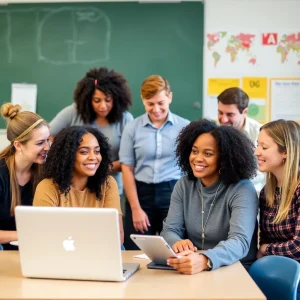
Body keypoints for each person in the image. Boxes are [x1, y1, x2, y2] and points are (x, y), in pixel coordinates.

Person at [161, 119, 258, 274]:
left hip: (235, 269)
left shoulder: (242, 189)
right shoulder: (184, 185)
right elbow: (169, 230)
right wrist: (177, 242)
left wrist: (205, 259)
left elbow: (240, 242)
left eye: (208, 154)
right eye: (194, 151)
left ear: (224, 159)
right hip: (194, 267)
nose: (198, 158)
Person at [119, 75, 189, 250]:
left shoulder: (185, 127)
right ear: (143, 100)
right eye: (150, 104)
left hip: (173, 193)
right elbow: (127, 168)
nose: (156, 109)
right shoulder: (132, 128)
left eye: (161, 103)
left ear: (169, 97)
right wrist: (136, 209)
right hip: (141, 195)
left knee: (175, 248)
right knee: (136, 249)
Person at [49, 67, 133, 195]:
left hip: (109, 186)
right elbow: (48, 136)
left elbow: (128, 159)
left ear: (116, 98)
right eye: (97, 100)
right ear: (87, 99)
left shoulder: (125, 119)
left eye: (108, 100)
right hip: (73, 186)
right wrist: (65, 158)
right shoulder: (73, 112)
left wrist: (97, 167)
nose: (103, 106)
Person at [33, 126, 124, 244]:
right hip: (61, 254)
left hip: (99, 253)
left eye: (97, 151)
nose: (93, 157)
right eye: (84, 152)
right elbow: (44, 236)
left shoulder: (108, 184)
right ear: (67, 156)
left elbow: (117, 236)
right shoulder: (47, 187)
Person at [254, 120, 300, 299]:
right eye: (258, 145)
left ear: (286, 153)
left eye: (264, 147)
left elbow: (298, 247)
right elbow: (263, 238)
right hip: (274, 275)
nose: (257, 152)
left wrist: (266, 250)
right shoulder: (267, 192)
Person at [0, 103, 50, 250]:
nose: (47, 147)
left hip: (34, 249)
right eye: (40, 143)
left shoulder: (45, 172)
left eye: (48, 139)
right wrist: (26, 235)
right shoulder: (1, 174)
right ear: (18, 145)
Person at [217, 87, 265, 194]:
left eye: (230, 114)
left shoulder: (261, 133)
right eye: (220, 112)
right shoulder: (214, 132)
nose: (223, 120)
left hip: (254, 194)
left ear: (245, 112)